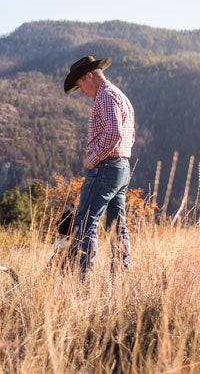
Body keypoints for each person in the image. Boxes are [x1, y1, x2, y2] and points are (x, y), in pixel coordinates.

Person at [64, 56, 135, 275]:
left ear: (89, 76)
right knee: (117, 226)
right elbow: (129, 135)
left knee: (86, 223)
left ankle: (82, 281)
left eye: (80, 85)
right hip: (121, 168)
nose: (82, 91)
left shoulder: (104, 96)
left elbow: (114, 132)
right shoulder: (120, 95)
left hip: (105, 168)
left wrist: (93, 158)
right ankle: (120, 279)